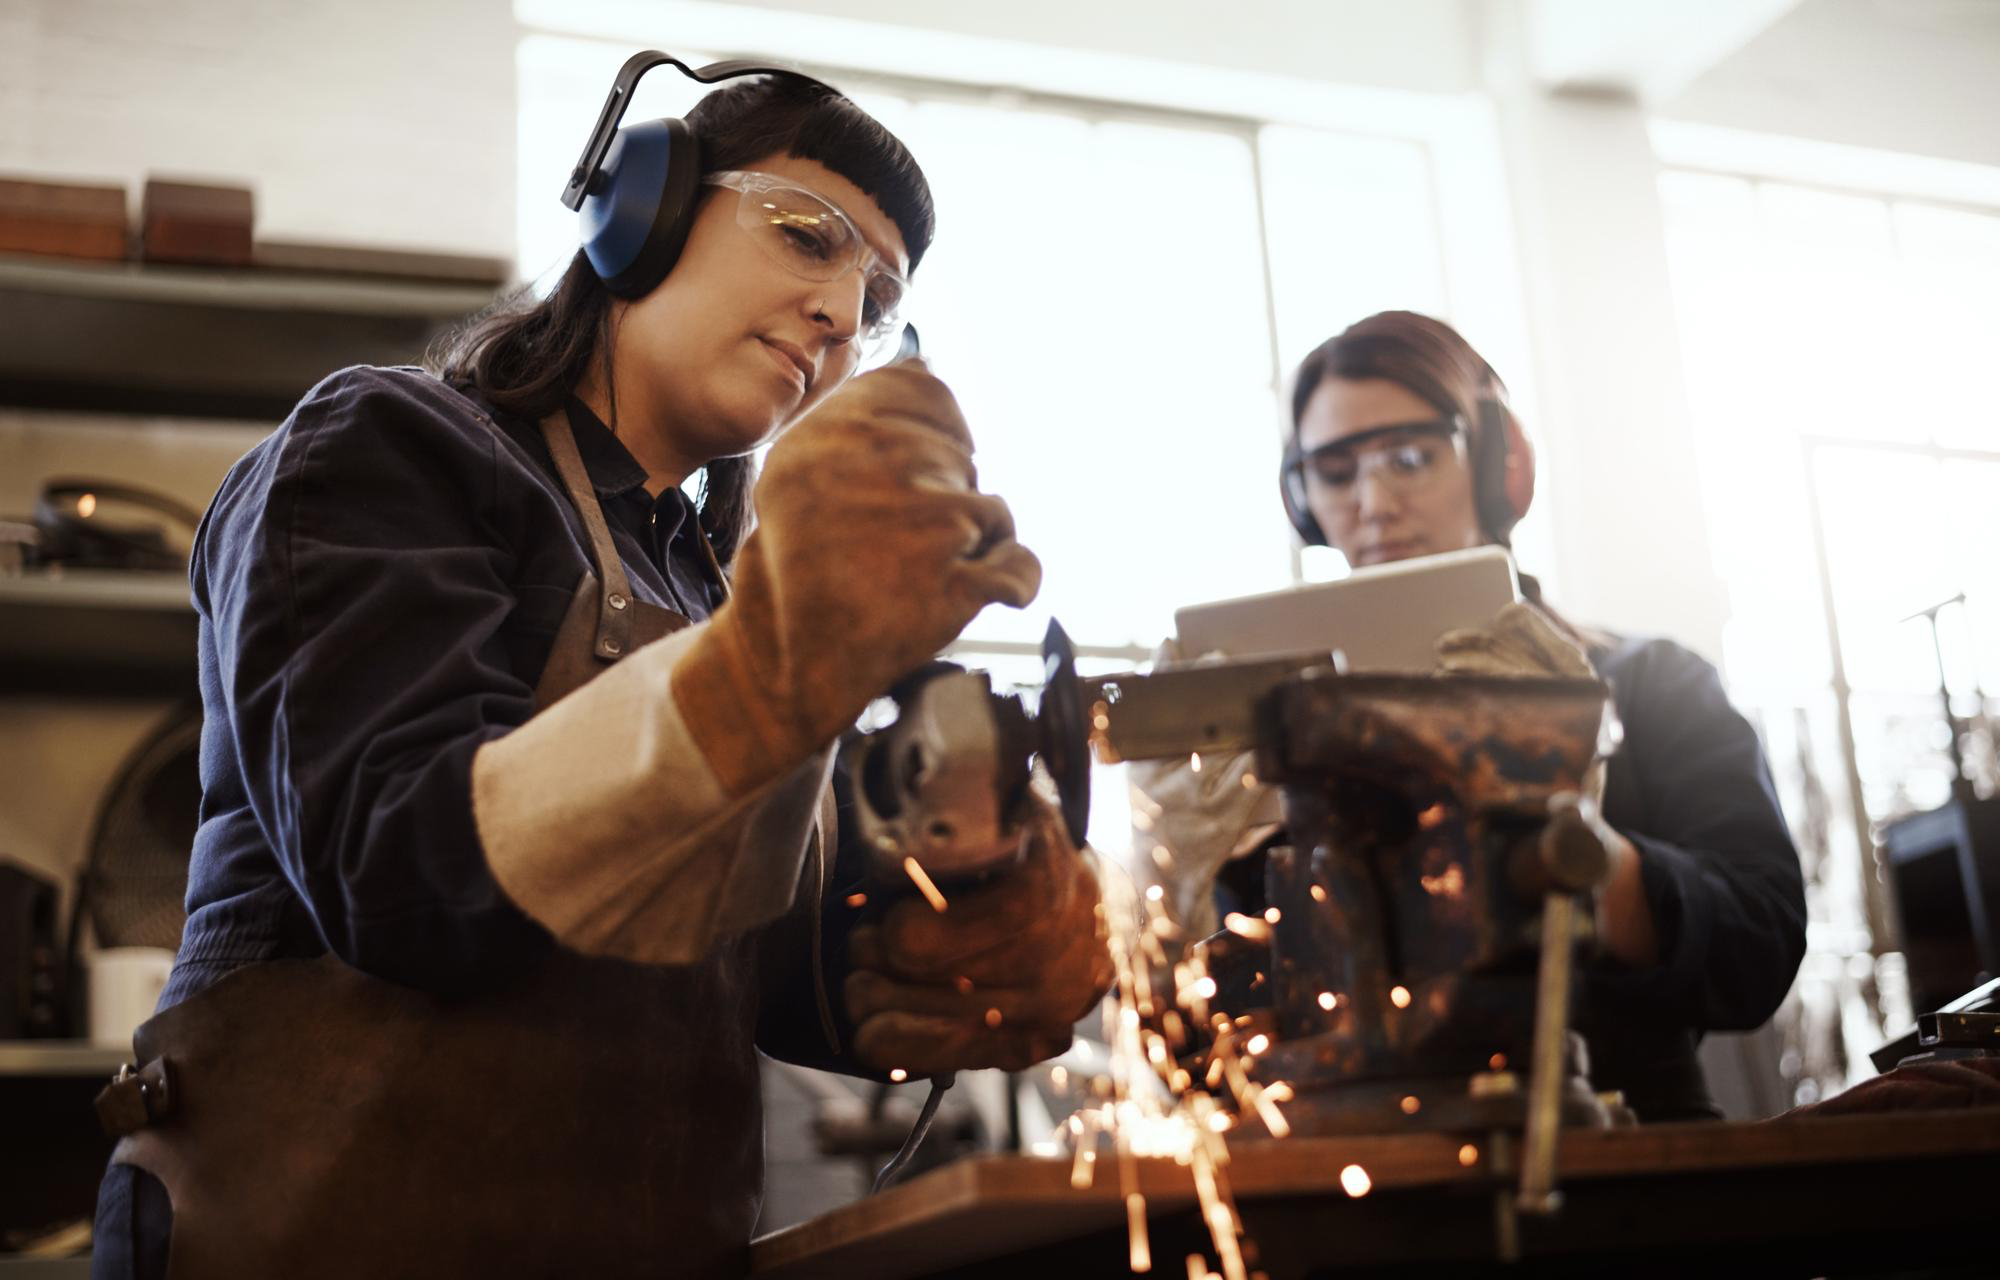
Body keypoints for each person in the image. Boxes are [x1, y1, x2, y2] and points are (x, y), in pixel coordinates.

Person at [91, 67, 1107, 1279]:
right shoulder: (383, 447)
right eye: (806, 234)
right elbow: (399, 878)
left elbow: (713, 962)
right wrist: (755, 678)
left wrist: (937, 954)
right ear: (641, 211)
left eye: (877, 294)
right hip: (312, 1228)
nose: (842, 310)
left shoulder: (719, 600)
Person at [1146, 310, 1806, 1123]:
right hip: (1352, 1162)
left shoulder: (1650, 681)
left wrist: (1573, 849)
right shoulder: (1274, 740)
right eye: (1336, 472)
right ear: (1304, 499)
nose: (1373, 503)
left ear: (1497, 462)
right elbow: (1199, 1049)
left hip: (1630, 1147)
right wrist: (1174, 878)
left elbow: (1757, 944)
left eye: (1411, 457)